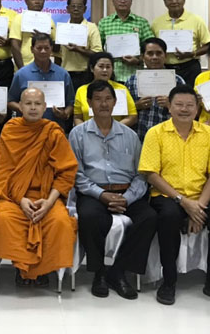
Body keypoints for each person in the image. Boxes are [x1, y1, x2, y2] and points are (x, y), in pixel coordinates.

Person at [138, 85, 210, 307]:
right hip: (167, 195)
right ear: (169, 107)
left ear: (197, 107)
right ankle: (169, 282)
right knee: (169, 217)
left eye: (190, 105)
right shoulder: (156, 133)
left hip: (203, 195)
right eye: (179, 105)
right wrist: (182, 201)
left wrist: (198, 206)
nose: (184, 109)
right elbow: (151, 174)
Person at [68, 81, 157, 300]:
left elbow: (141, 174)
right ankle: (99, 272)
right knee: (90, 217)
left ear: (116, 102)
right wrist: (101, 195)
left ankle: (118, 271)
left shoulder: (130, 135)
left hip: (126, 192)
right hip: (93, 192)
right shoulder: (77, 134)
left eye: (108, 99)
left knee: (149, 217)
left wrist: (127, 198)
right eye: (98, 99)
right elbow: (76, 174)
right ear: (89, 103)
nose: (103, 104)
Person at [0, 88, 78, 286]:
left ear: (45, 107)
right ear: (20, 106)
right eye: (28, 103)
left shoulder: (53, 131)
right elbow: (3, 171)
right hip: (14, 197)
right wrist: (20, 200)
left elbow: (66, 172)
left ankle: (42, 269)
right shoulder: (10, 130)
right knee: (3, 220)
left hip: (47, 195)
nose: (33, 108)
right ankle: (22, 267)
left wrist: (49, 202)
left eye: (37, 104)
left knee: (60, 222)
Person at [8, 33, 75, 131]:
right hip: (27, 129)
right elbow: (10, 101)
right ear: (32, 49)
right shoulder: (21, 74)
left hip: (55, 128)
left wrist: (65, 114)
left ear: (51, 49)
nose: (43, 51)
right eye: (39, 48)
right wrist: (25, 108)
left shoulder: (63, 74)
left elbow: (71, 102)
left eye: (46, 48)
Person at [124, 37, 186, 141]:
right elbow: (122, 112)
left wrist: (170, 105)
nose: (154, 57)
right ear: (142, 57)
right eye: (150, 53)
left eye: (159, 53)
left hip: (169, 137)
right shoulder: (131, 81)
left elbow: (186, 111)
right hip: (138, 136)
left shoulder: (177, 81)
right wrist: (136, 106)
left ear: (165, 56)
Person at [150, 0, 210, 87]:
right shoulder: (157, 22)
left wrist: (192, 54)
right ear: (164, 2)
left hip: (190, 67)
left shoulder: (196, 20)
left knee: (190, 95)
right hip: (165, 68)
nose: (174, 1)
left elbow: (209, 45)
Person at [97, 0, 154, 84]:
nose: (123, 1)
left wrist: (138, 60)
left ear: (131, 1)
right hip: (111, 76)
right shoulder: (104, 22)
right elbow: (99, 49)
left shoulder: (141, 22)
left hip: (135, 76)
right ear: (113, 1)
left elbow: (151, 48)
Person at [72, 52, 137, 128]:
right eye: (101, 66)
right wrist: (86, 131)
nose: (105, 70)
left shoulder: (121, 89)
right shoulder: (81, 90)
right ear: (92, 68)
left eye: (108, 67)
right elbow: (78, 117)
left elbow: (132, 116)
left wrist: (113, 129)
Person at [59, 0, 103, 89]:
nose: (76, 9)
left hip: (86, 74)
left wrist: (78, 49)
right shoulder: (62, 28)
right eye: (73, 6)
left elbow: (98, 53)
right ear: (67, 9)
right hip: (66, 73)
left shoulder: (92, 27)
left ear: (85, 9)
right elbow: (57, 53)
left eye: (79, 6)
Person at [10, 0, 56, 67]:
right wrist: (22, 69)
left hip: (45, 67)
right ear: (26, 1)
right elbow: (15, 46)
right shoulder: (19, 18)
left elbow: (57, 48)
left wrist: (45, 37)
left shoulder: (49, 20)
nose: (37, 2)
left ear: (44, 1)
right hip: (25, 65)